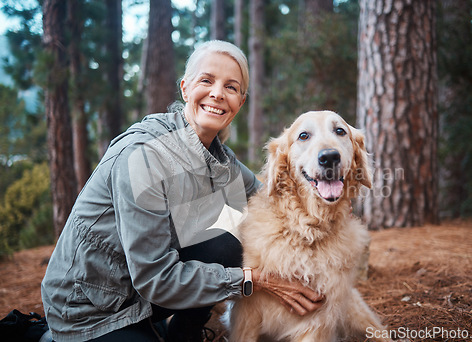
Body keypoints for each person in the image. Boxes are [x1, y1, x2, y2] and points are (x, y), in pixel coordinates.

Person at [41, 40, 324, 342]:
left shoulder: (221, 161)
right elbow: (155, 279)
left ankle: (183, 334)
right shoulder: (142, 157)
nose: (217, 93)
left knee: (233, 233)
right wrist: (253, 280)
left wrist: (323, 189)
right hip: (91, 306)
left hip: (140, 294)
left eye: (231, 87)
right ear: (185, 88)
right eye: (207, 80)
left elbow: (271, 200)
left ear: (240, 102)